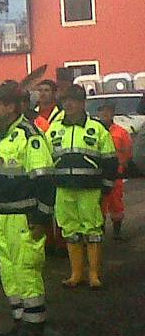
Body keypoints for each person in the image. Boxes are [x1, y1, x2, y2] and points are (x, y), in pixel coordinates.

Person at [0, 82, 55, 336]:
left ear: (10, 107)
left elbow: (45, 181)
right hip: (2, 215)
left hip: (24, 217)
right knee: (9, 271)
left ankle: (34, 326)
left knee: (26, 269)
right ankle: (19, 321)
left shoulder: (29, 136)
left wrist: (41, 218)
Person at [47, 86, 118, 289]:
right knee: (69, 230)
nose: (68, 104)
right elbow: (45, 158)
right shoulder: (54, 129)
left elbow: (111, 161)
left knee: (93, 230)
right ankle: (76, 273)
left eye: (73, 100)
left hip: (89, 189)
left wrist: (107, 186)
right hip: (63, 188)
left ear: (83, 103)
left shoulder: (96, 129)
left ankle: (94, 274)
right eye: (65, 100)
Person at [96, 101, 132, 241]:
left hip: (116, 174)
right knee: (100, 204)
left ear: (112, 113)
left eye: (107, 111)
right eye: (101, 111)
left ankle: (117, 231)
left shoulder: (121, 132)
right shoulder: (95, 130)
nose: (104, 114)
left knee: (116, 203)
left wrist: (122, 165)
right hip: (99, 174)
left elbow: (128, 152)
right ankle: (100, 231)